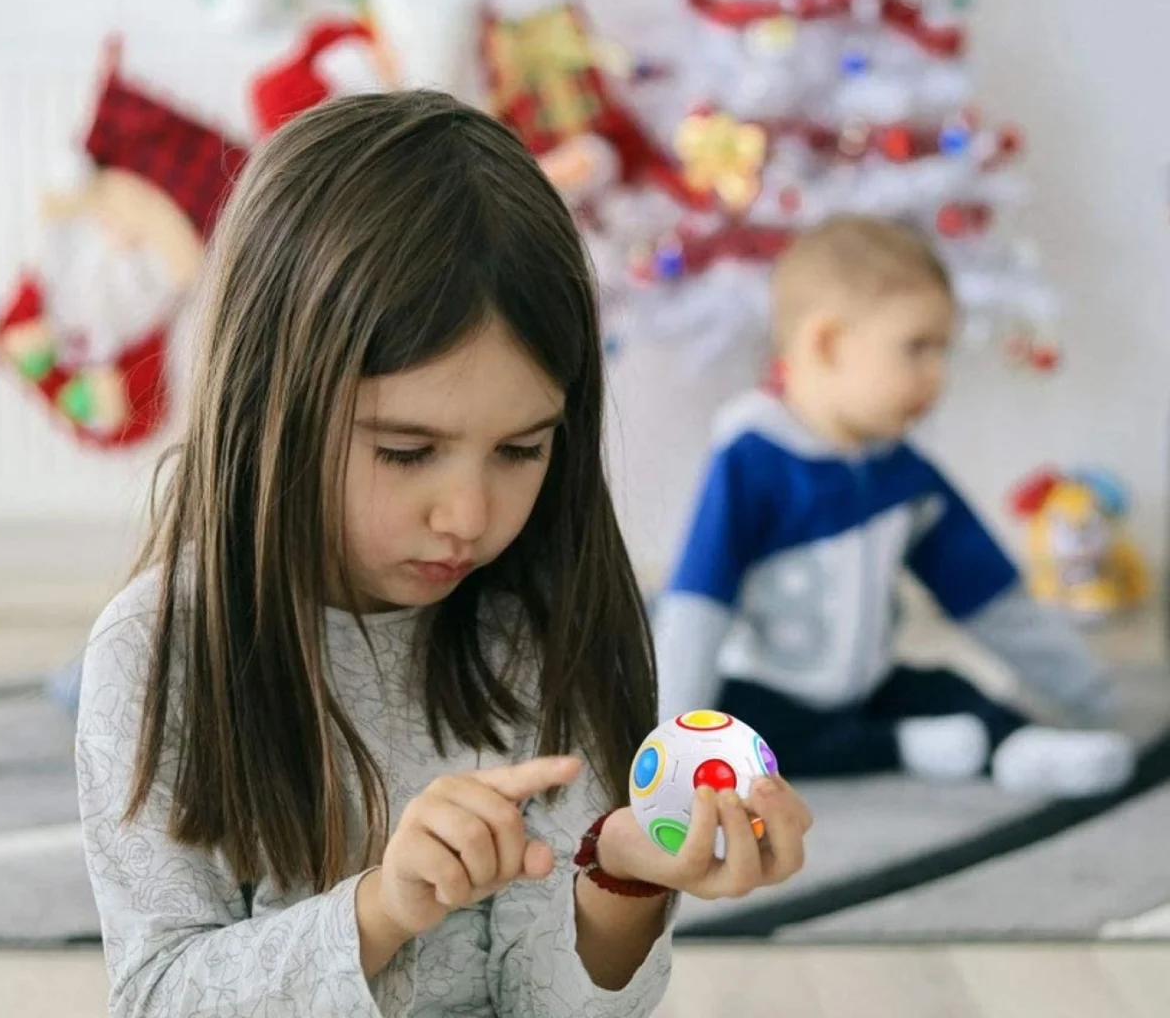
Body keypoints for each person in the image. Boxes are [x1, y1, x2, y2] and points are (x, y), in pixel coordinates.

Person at [76, 91, 812, 1018]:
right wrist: (383, 909)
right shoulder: (155, 651)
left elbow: (546, 1003)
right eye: (406, 451)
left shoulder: (535, 625)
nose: (468, 513)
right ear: (271, 404)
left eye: (521, 450)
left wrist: (621, 877)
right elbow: (158, 998)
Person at [655, 216, 1136, 796]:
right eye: (918, 349)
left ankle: (1015, 748)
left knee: (953, 689)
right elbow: (696, 607)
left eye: (943, 352)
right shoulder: (754, 459)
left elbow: (988, 596)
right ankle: (903, 745)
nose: (938, 376)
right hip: (764, 691)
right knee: (742, 743)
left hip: (871, 685)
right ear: (828, 343)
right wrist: (673, 739)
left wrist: (1093, 694)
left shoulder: (903, 474)